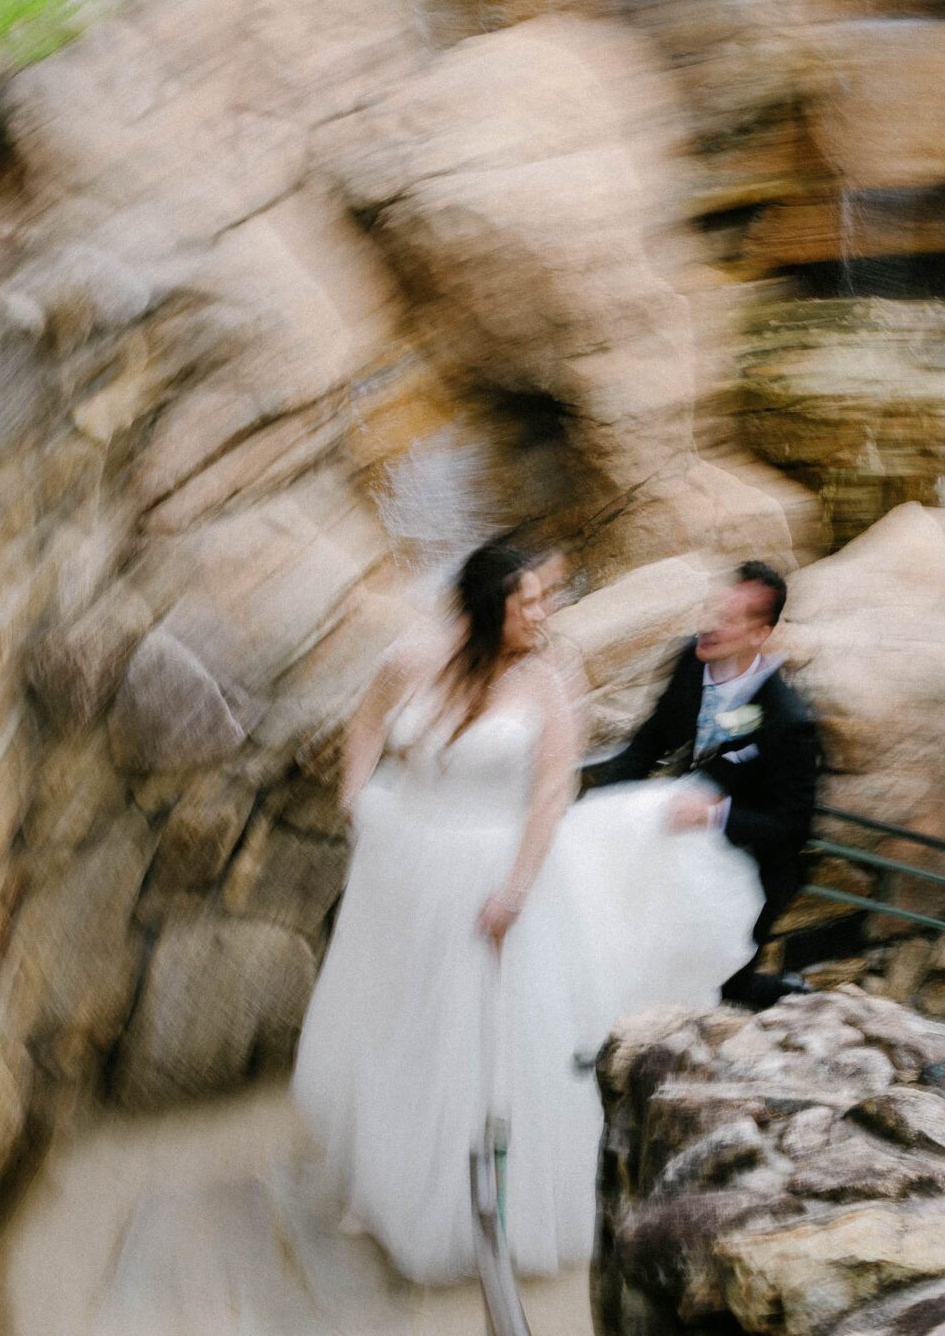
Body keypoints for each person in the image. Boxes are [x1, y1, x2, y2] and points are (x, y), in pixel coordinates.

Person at [290, 544, 761, 1285]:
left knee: (481, 1045)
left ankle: (474, 1212)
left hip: (493, 879)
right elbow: (366, 723)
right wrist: (356, 798)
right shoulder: (413, 657)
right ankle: (385, 1184)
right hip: (403, 870)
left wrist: (515, 887)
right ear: (488, 607)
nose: (542, 612)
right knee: (398, 1022)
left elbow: (552, 791)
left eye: (544, 599)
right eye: (528, 601)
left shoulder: (546, 680)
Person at [589, 561, 822, 1010]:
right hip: (687, 852)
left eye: (729, 619)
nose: (708, 626)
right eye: (711, 610)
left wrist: (714, 816)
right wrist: (600, 803)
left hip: (754, 868)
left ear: (760, 634)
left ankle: (790, 997)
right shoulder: (689, 662)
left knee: (723, 990)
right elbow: (650, 741)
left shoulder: (787, 720)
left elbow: (793, 827)